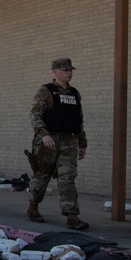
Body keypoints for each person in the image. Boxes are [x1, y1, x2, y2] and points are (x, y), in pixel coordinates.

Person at [27, 58, 89, 230]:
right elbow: (35, 115)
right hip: (48, 141)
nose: (69, 73)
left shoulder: (74, 93)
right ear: (55, 71)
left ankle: (72, 216)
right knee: (42, 176)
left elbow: (79, 119)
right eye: (65, 70)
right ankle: (33, 206)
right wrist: (44, 135)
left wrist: (82, 143)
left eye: (70, 70)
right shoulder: (46, 91)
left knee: (68, 178)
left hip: (70, 141)